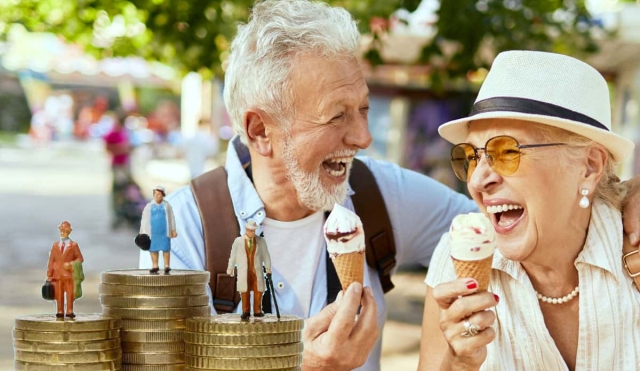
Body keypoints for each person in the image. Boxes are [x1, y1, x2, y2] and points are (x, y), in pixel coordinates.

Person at [138, 1, 640, 369]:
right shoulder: (182, 230)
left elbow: (519, 219)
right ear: (259, 131)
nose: (362, 137)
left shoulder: (382, 196)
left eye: (362, 109)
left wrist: (629, 192)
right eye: (337, 116)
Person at [419, 50, 640, 370]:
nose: (478, 179)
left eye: (507, 151)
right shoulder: (456, 256)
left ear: (589, 167)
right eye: (470, 156)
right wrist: (459, 363)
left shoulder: (632, 243)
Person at [227, 219, 272, 320]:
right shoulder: (238, 241)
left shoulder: (260, 241)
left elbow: (265, 255)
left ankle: (257, 310)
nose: (252, 232)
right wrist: (230, 267)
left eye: (253, 230)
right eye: (250, 230)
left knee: (258, 291)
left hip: (256, 271)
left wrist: (268, 267)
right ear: (246, 230)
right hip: (244, 271)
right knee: (244, 291)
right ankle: (245, 311)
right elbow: (233, 255)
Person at [46, 221, 84, 318]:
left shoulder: (73, 245)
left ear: (69, 231)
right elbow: (51, 260)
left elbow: (80, 258)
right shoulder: (55, 245)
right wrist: (49, 274)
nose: (62, 232)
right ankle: (60, 310)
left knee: (70, 294)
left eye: (65, 230)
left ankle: (70, 310)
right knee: (59, 295)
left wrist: (71, 264)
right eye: (61, 230)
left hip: (69, 275)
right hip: (57, 275)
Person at [104, 110, 132, 229]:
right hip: (118, 165)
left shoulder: (124, 133)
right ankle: (118, 215)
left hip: (125, 165)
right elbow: (108, 148)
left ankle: (127, 214)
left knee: (127, 191)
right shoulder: (112, 134)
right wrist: (121, 149)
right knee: (118, 191)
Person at [140, 186, 177, 274]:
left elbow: (171, 218)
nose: (157, 196)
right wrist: (143, 231)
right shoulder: (149, 206)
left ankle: (167, 266)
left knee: (166, 249)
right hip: (153, 233)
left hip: (164, 231)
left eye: (159, 194)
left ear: (163, 195)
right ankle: (155, 266)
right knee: (153, 250)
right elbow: (144, 219)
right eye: (155, 194)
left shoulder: (167, 206)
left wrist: (173, 230)